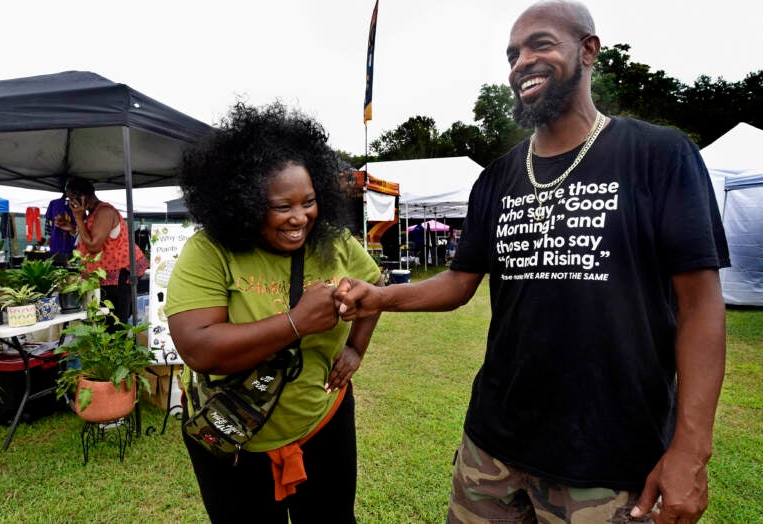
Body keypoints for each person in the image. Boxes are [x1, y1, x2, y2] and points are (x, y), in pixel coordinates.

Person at [336, 1, 729, 522]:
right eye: (512, 54)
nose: (521, 62)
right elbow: (457, 282)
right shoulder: (498, 176)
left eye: (540, 44)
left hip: (608, 459)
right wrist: (379, 296)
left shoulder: (658, 154)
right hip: (492, 447)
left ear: (589, 50)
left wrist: (691, 449)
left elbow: (701, 306)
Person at [164, 102, 382, 523]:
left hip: (323, 425)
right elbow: (198, 346)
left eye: (310, 201)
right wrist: (296, 322)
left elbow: (373, 292)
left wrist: (356, 350)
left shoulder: (334, 242)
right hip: (233, 438)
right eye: (283, 207)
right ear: (243, 203)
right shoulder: (210, 251)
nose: (300, 218)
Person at [56, 178, 148, 326]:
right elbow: (92, 236)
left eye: (72, 198)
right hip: (105, 276)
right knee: (105, 321)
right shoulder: (93, 213)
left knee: (114, 323)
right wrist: (73, 228)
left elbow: (94, 246)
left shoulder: (105, 212)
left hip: (118, 275)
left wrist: (78, 218)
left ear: (83, 196)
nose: (71, 203)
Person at [44, 192, 76, 265]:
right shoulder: (53, 204)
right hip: (57, 244)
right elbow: (48, 222)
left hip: (72, 244)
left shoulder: (78, 205)